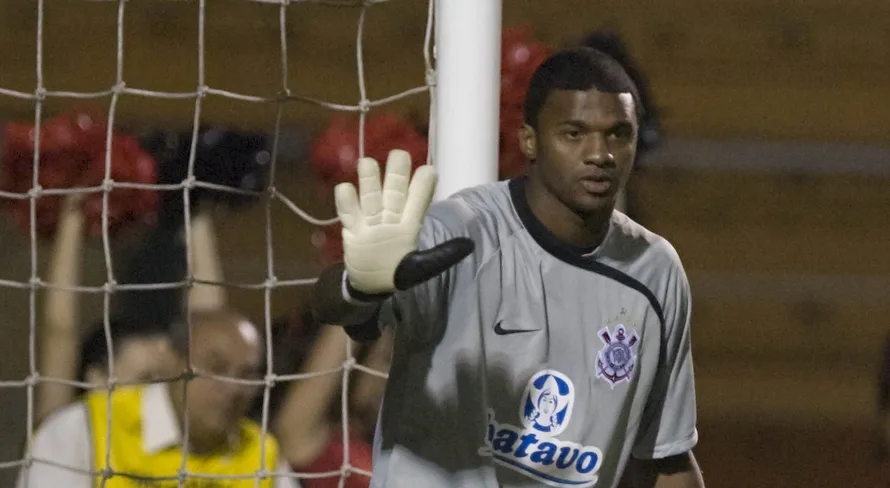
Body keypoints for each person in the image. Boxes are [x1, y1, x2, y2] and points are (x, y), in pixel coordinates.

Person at [311, 47, 704, 488]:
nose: (600, 154)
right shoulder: (462, 232)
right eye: (574, 134)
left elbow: (664, 460)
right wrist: (357, 285)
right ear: (530, 140)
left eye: (618, 134)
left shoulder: (655, 270)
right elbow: (339, 309)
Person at [18, 309, 299, 488]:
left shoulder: (261, 453)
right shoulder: (85, 428)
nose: (231, 386)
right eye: (215, 367)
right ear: (172, 363)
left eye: (247, 374)